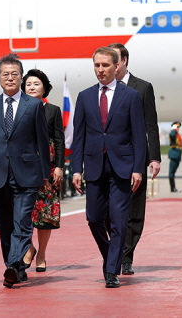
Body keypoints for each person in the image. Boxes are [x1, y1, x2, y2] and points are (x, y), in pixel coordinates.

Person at [0, 54, 50, 288]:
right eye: (6, 74)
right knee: (5, 225)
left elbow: (42, 142)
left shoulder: (34, 105)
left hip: (27, 174)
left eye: (15, 74)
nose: (10, 78)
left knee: (22, 221)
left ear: (21, 77)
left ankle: (13, 265)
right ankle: (16, 267)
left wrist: (45, 174)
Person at [71, 46, 146, 288]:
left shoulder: (131, 96)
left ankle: (112, 271)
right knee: (93, 218)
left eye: (105, 65)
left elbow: (138, 136)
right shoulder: (84, 97)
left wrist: (138, 168)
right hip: (94, 166)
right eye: (97, 65)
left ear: (116, 67)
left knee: (119, 219)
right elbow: (78, 137)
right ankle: (109, 256)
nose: (100, 70)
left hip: (122, 166)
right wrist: (75, 169)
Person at [107, 42, 161, 276]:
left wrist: (155, 157)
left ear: (124, 61)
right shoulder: (103, 89)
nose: (112, 65)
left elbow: (151, 125)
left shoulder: (143, 88)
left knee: (134, 212)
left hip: (136, 157)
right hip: (110, 158)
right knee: (110, 211)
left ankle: (126, 256)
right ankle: (115, 252)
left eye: (115, 60)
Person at [20, 69, 64, 273]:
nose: (31, 87)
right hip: (23, 167)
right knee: (22, 213)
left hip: (47, 169)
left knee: (44, 213)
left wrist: (59, 166)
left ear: (44, 87)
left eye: (36, 84)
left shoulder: (52, 110)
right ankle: (29, 248)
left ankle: (43, 254)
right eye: (28, 84)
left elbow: (59, 140)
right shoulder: (17, 108)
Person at [168, 121, 182, 192]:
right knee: (171, 172)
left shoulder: (177, 134)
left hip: (177, 155)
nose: (178, 128)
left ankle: (173, 187)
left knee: (173, 172)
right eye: (177, 127)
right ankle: (172, 188)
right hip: (174, 155)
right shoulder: (173, 133)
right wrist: (174, 129)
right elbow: (172, 135)